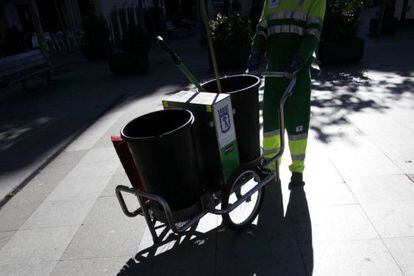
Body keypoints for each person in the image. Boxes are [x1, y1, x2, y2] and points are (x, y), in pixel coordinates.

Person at [247, 0, 326, 188]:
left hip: (297, 74)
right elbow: (263, 28)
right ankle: (271, 167)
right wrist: (255, 54)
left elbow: (312, 34)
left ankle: (297, 170)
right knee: (271, 122)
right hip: (274, 72)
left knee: (296, 120)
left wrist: (299, 60)